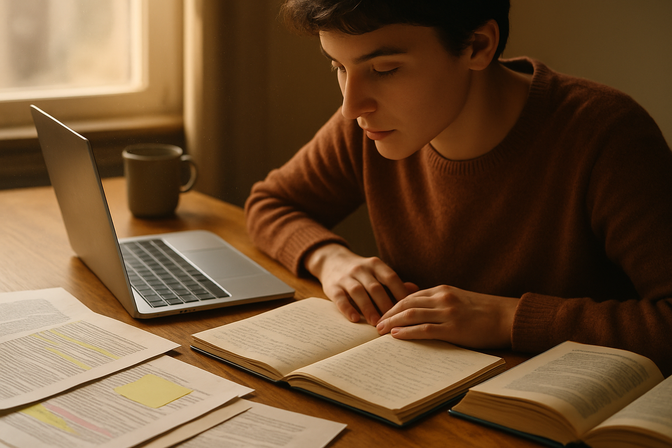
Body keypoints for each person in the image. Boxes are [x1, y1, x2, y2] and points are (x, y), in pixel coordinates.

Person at [245, 0, 672, 375]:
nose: (351, 106)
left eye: (385, 69)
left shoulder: (605, 135)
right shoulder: (368, 127)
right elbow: (270, 203)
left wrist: (506, 318)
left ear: (477, 46)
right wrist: (331, 259)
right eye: (339, 67)